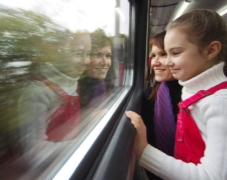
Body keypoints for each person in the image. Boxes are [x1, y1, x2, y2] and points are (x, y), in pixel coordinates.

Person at [126, 9, 227, 180]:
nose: (166, 62)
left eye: (175, 53)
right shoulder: (191, 90)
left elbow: (212, 176)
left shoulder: (219, 103)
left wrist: (144, 151)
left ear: (210, 51)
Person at [17, 31, 91, 170]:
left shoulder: (73, 84)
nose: (86, 61)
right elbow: (34, 153)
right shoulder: (37, 93)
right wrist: (84, 144)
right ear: (58, 54)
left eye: (88, 54)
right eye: (77, 53)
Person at [141, 31, 182, 180]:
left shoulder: (195, 95)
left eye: (163, 54)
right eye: (153, 55)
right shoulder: (148, 97)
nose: (155, 62)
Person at [79, 29, 114, 109]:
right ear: (85, 57)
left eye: (108, 56)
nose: (105, 62)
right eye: (97, 55)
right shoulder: (74, 89)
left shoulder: (101, 85)